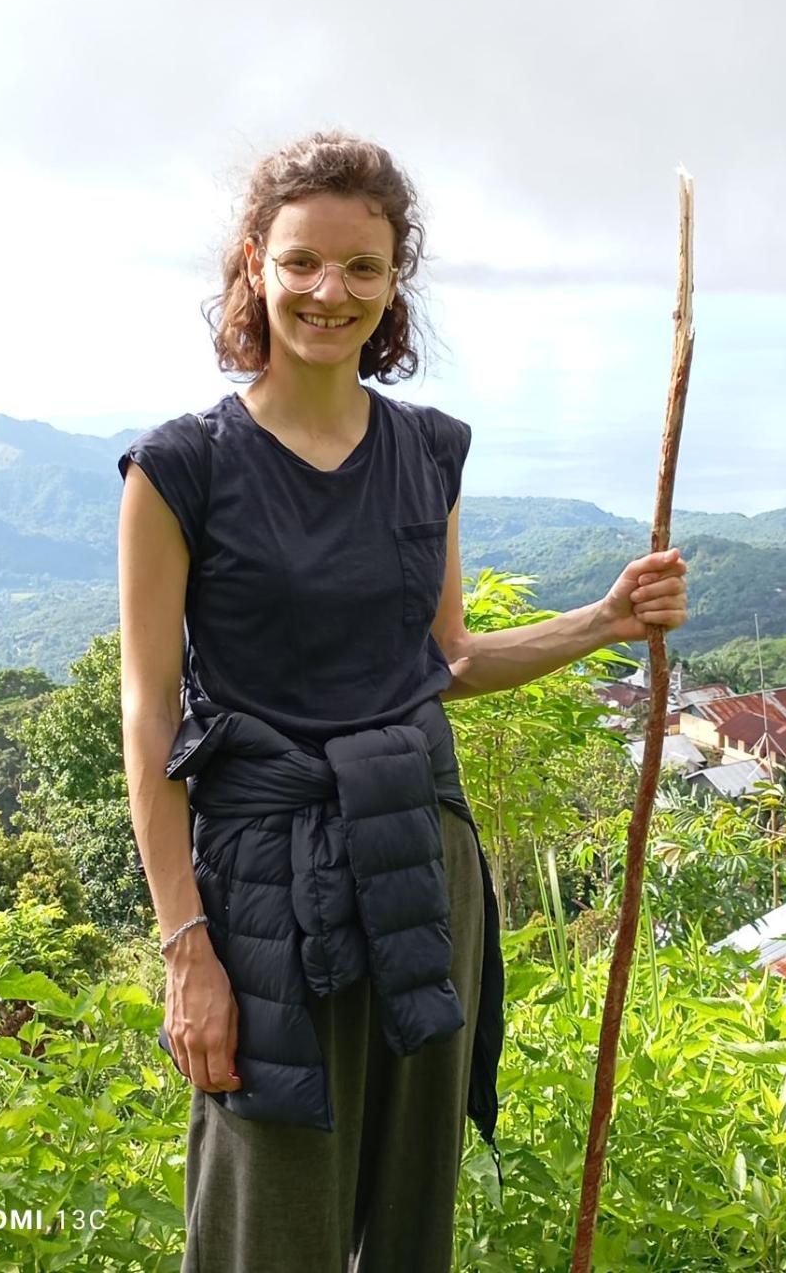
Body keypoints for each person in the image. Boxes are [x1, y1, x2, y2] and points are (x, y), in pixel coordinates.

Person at [116, 129, 689, 1273]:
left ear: (394, 281)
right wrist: (188, 949)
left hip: (422, 863)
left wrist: (605, 619)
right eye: (302, 261)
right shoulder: (181, 467)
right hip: (266, 884)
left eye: (362, 266)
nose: (330, 291)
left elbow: (449, 659)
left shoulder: (427, 451)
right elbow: (147, 717)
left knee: (412, 1212)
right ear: (255, 261)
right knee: (267, 1217)